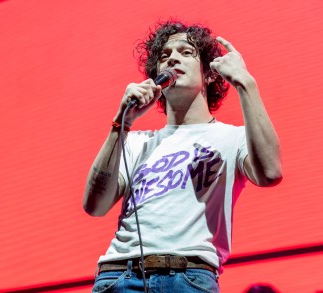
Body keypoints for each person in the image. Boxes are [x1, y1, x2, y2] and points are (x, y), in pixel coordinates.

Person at [83, 20, 282, 293]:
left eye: (186, 52)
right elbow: (94, 205)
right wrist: (121, 124)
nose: (172, 58)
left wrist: (245, 83)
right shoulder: (138, 142)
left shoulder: (232, 138)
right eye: (164, 56)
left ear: (210, 74)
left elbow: (270, 172)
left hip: (187, 277)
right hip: (118, 275)